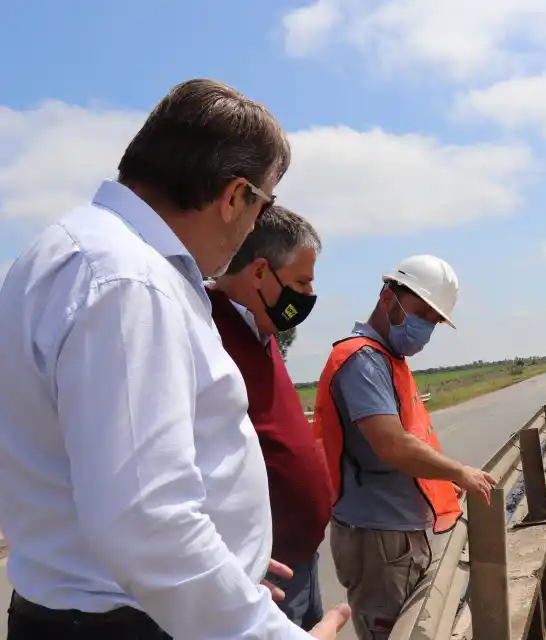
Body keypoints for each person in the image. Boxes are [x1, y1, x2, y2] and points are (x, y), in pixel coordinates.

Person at [0, 79, 348, 639]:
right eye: (265, 204)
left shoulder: (63, 253)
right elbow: (147, 521)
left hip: (107, 609)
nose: (257, 225)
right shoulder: (129, 280)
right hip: (129, 624)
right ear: (234, 196)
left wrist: (230, 564)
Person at [311, 255, 497, 640]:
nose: (425, 328)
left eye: (434, 321)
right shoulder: (362, 360)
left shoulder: (387, 360)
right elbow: (392, 444)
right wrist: (457, 471)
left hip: (395, 535)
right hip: (379, 538)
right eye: (420, 313)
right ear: (387, 297)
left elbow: (414, 438)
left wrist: (442, 479)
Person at [207, 205, 333, 630]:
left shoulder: (260, 331)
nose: (308, 296)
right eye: (300, 282)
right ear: (259, 272)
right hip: (259, 581)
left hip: (299, 562)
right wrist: (225, 571)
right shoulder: (207, 331)